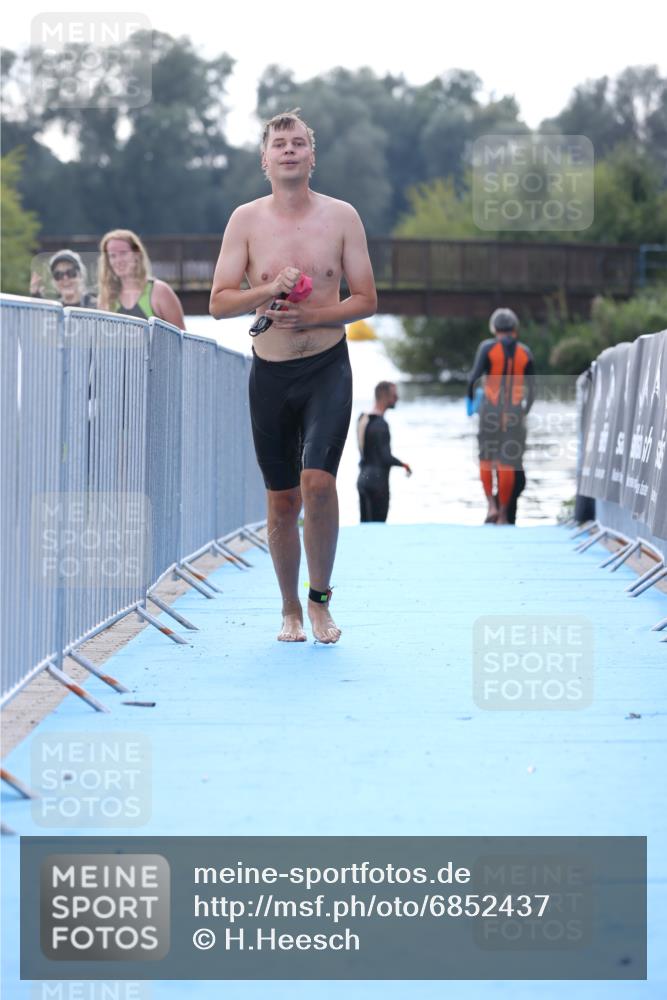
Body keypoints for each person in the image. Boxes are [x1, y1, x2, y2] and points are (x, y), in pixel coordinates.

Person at [209, 109, 377, 644]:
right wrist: (266, 290)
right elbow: (217, 303)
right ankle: (289, 610)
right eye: (279, 143)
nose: (288, 150)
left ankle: (320, 600)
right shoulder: (246, 220)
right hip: (272, 373)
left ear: (311, 156)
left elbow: (367, 299)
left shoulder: (343, 217)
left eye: (298, 143)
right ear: (264, 159)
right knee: (282, 498)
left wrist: (314, 316)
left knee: (319, 483)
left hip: (327, 365)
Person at [466, 307, 534, 525]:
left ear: (494, 328)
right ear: (515, 328)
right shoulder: (526, 352)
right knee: (508, 462)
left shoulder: (487, 347)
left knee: (486, 459)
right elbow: (532, 392)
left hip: (490, 411)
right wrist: (524, 411)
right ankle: (504, 513)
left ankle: (491, 506)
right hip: (514, 412)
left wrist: (470, 401)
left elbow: (473, 378)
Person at [98, 228, 186, 328]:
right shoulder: (106, 299)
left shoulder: (160, 291)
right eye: (112, 256)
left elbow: (181, 338)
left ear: (137, 254)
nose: (118, 260)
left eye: (123, 253)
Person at [357, 381, 412, 522]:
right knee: (378, 528)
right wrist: (404, 465)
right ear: (385, 396)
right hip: (378, 483)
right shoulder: (381, 424)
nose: (397, 398)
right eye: (394, 395)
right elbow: (385, 458)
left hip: (363, 480)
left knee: (364, 527)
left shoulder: (362, 419)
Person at [30, 249, 97, 307]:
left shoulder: (96, 305)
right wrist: (36, 297)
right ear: (54, 281)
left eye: (70, 273)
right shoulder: (53, 309)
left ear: (80, 275)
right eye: (58, 275)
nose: (65, 278)